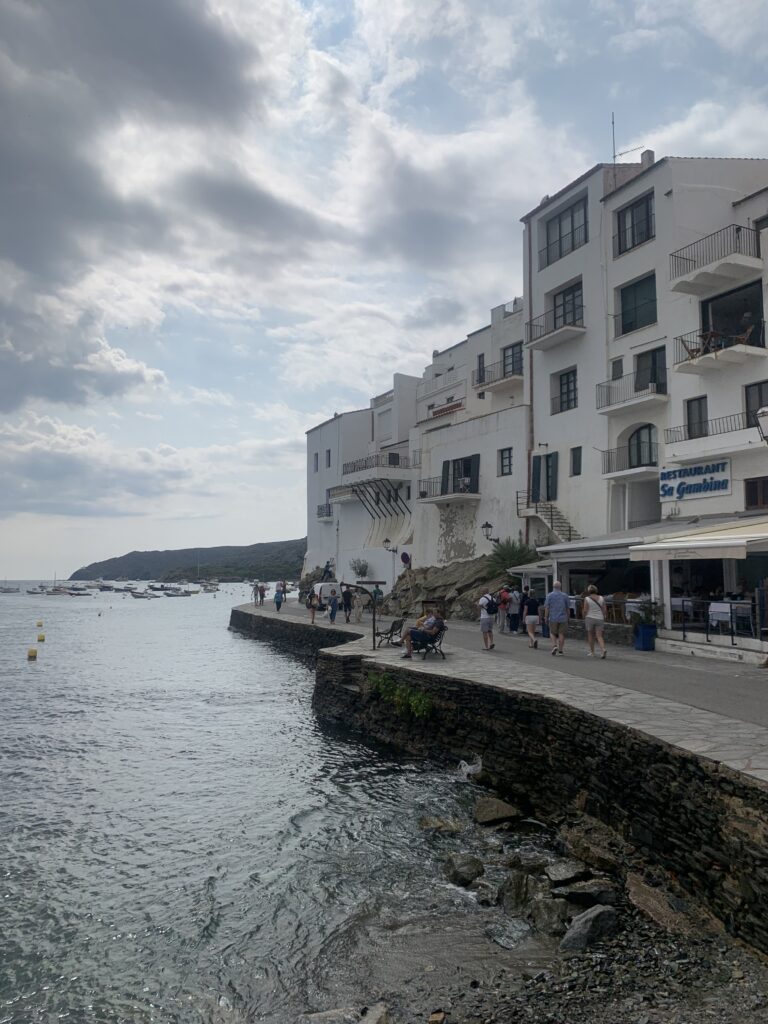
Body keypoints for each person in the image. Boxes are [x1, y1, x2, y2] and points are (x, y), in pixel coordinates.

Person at [544, 580, 570, 656]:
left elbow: (547, 607)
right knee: (561, 633)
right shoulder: (565, 595)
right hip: (563, 617)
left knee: (552, 632)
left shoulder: (549, 595)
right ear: (560, 587)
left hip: (553, 617)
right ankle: (561, 650)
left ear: (553, 587)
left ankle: (554, 645)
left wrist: (546, 617)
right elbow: (568, 608)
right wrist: (568, 617)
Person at [582, 584, 607, 658]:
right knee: (599, 636)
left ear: (589, 591)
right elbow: (604, 609)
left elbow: (585, 610)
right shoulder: (602, 598)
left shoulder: (587, 599)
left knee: (590, 635)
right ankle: (603, 649)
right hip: (600, 618)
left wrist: (584, 616)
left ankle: (592, 652)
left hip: (590, 618)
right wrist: (604, 616)